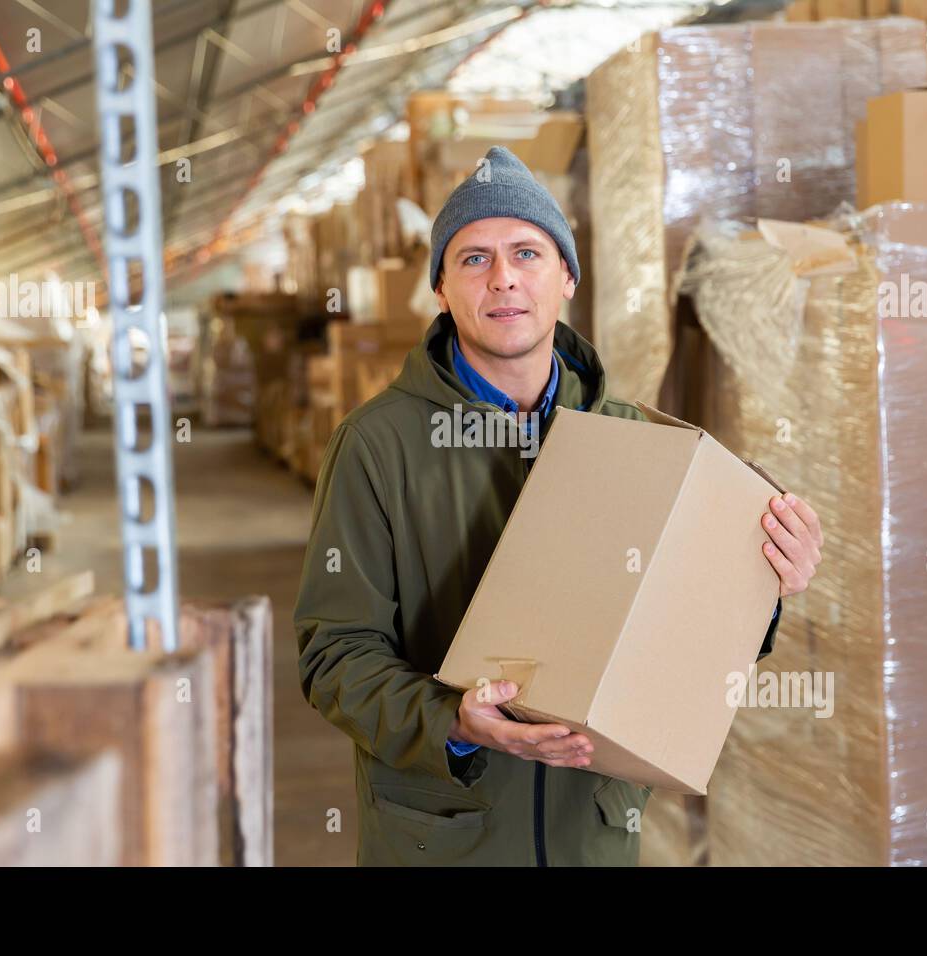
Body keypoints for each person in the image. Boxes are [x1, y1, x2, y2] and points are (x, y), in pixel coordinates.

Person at [294, 146, 824, 866]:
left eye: (527, 253)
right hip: (447, 838)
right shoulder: (375, 446)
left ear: (567, 277)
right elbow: (335, 657)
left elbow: (684, 630)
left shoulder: (635, 441)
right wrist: (456, 721)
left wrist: (763, 586)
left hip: (592, 833)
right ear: (441, 290)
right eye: (474, 259)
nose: (504, 277)